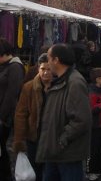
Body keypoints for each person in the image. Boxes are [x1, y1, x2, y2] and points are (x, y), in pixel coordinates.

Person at [36, 44, 92, 181]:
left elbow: (81, 119)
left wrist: (62, 139)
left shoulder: (75, 82)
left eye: (49, 58)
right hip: (56, 152)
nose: (47, 62)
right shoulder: (61, 80)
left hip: (67, 154)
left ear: (56, 60)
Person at [13, 53, 52, 181]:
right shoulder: (29, 87)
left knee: (50, 172)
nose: (46, 73)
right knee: (35, 171)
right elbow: (21, 114)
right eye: (43, 69)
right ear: (38, 69)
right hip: (34, 138)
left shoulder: (58, 87)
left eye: (49, 69)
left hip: (52, 139)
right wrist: (19, 141)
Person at [0, 38, 25, 181]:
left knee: (2, 145)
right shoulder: (5, 66)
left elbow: (12, 95)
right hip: (3, 114)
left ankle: (5, 174)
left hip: (6, 116)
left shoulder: (15, 67)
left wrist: (2, 117)